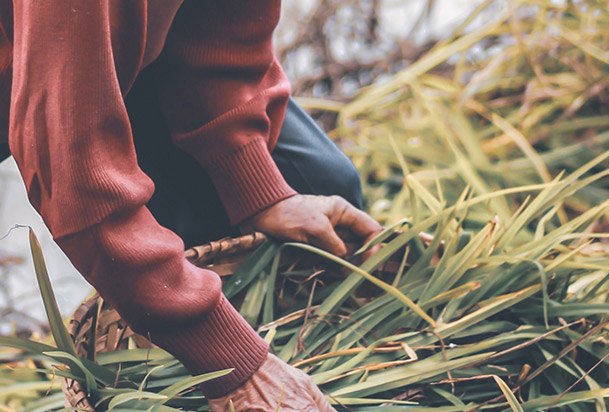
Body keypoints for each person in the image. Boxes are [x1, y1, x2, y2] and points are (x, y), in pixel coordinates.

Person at [0, 1, 382, 410]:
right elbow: (74, 170)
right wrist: (232, 365)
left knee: (318, 180)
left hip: (110, 38)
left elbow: (222, 25)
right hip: (34, 55)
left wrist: (259, 190)